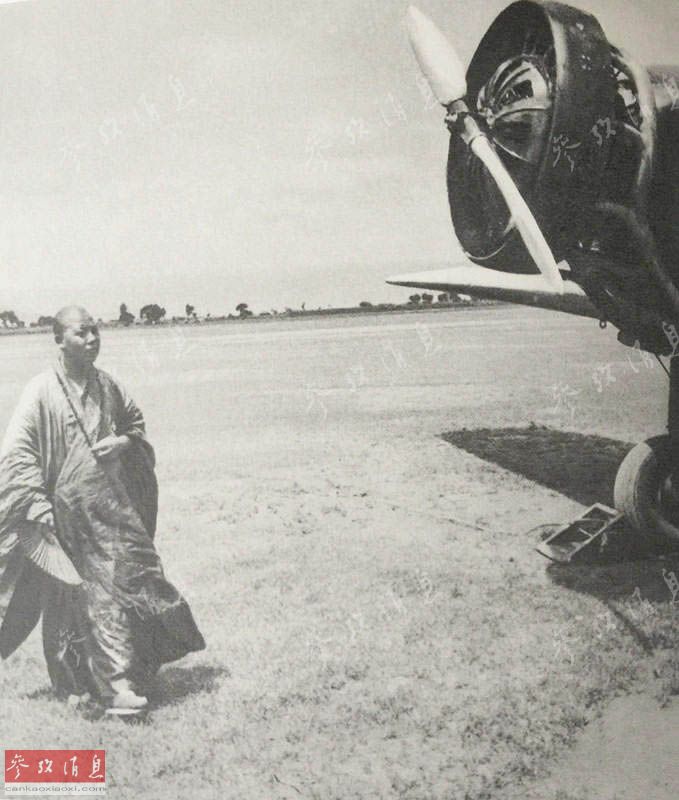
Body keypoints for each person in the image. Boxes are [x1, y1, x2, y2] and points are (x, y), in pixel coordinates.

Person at [0, 306, 205, 711]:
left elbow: (135, 426)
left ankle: (134, 671)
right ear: (59, 340)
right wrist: (39, 508)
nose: (92, 339)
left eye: (95, 331)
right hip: (65, 516)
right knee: (81, 600)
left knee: (141, 580)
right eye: (82, 333)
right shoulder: (40, 391)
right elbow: (18, 455)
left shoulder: (110, 387)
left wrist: (125, 443)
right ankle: (106, 687)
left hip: (114, 512)